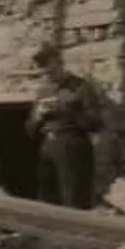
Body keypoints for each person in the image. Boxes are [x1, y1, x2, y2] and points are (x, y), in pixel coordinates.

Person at [25, 42, 104, 210]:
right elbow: (30, 131)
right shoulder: (43, 91)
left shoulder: (81, 87)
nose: (48, 76)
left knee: (73, 200)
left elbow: (95, 123)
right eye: (44, 72)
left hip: (72, 146)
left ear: (60, 63)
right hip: (47, 147)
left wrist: (65, 110)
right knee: (47, 201)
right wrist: (38, 116)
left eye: (51, 71)